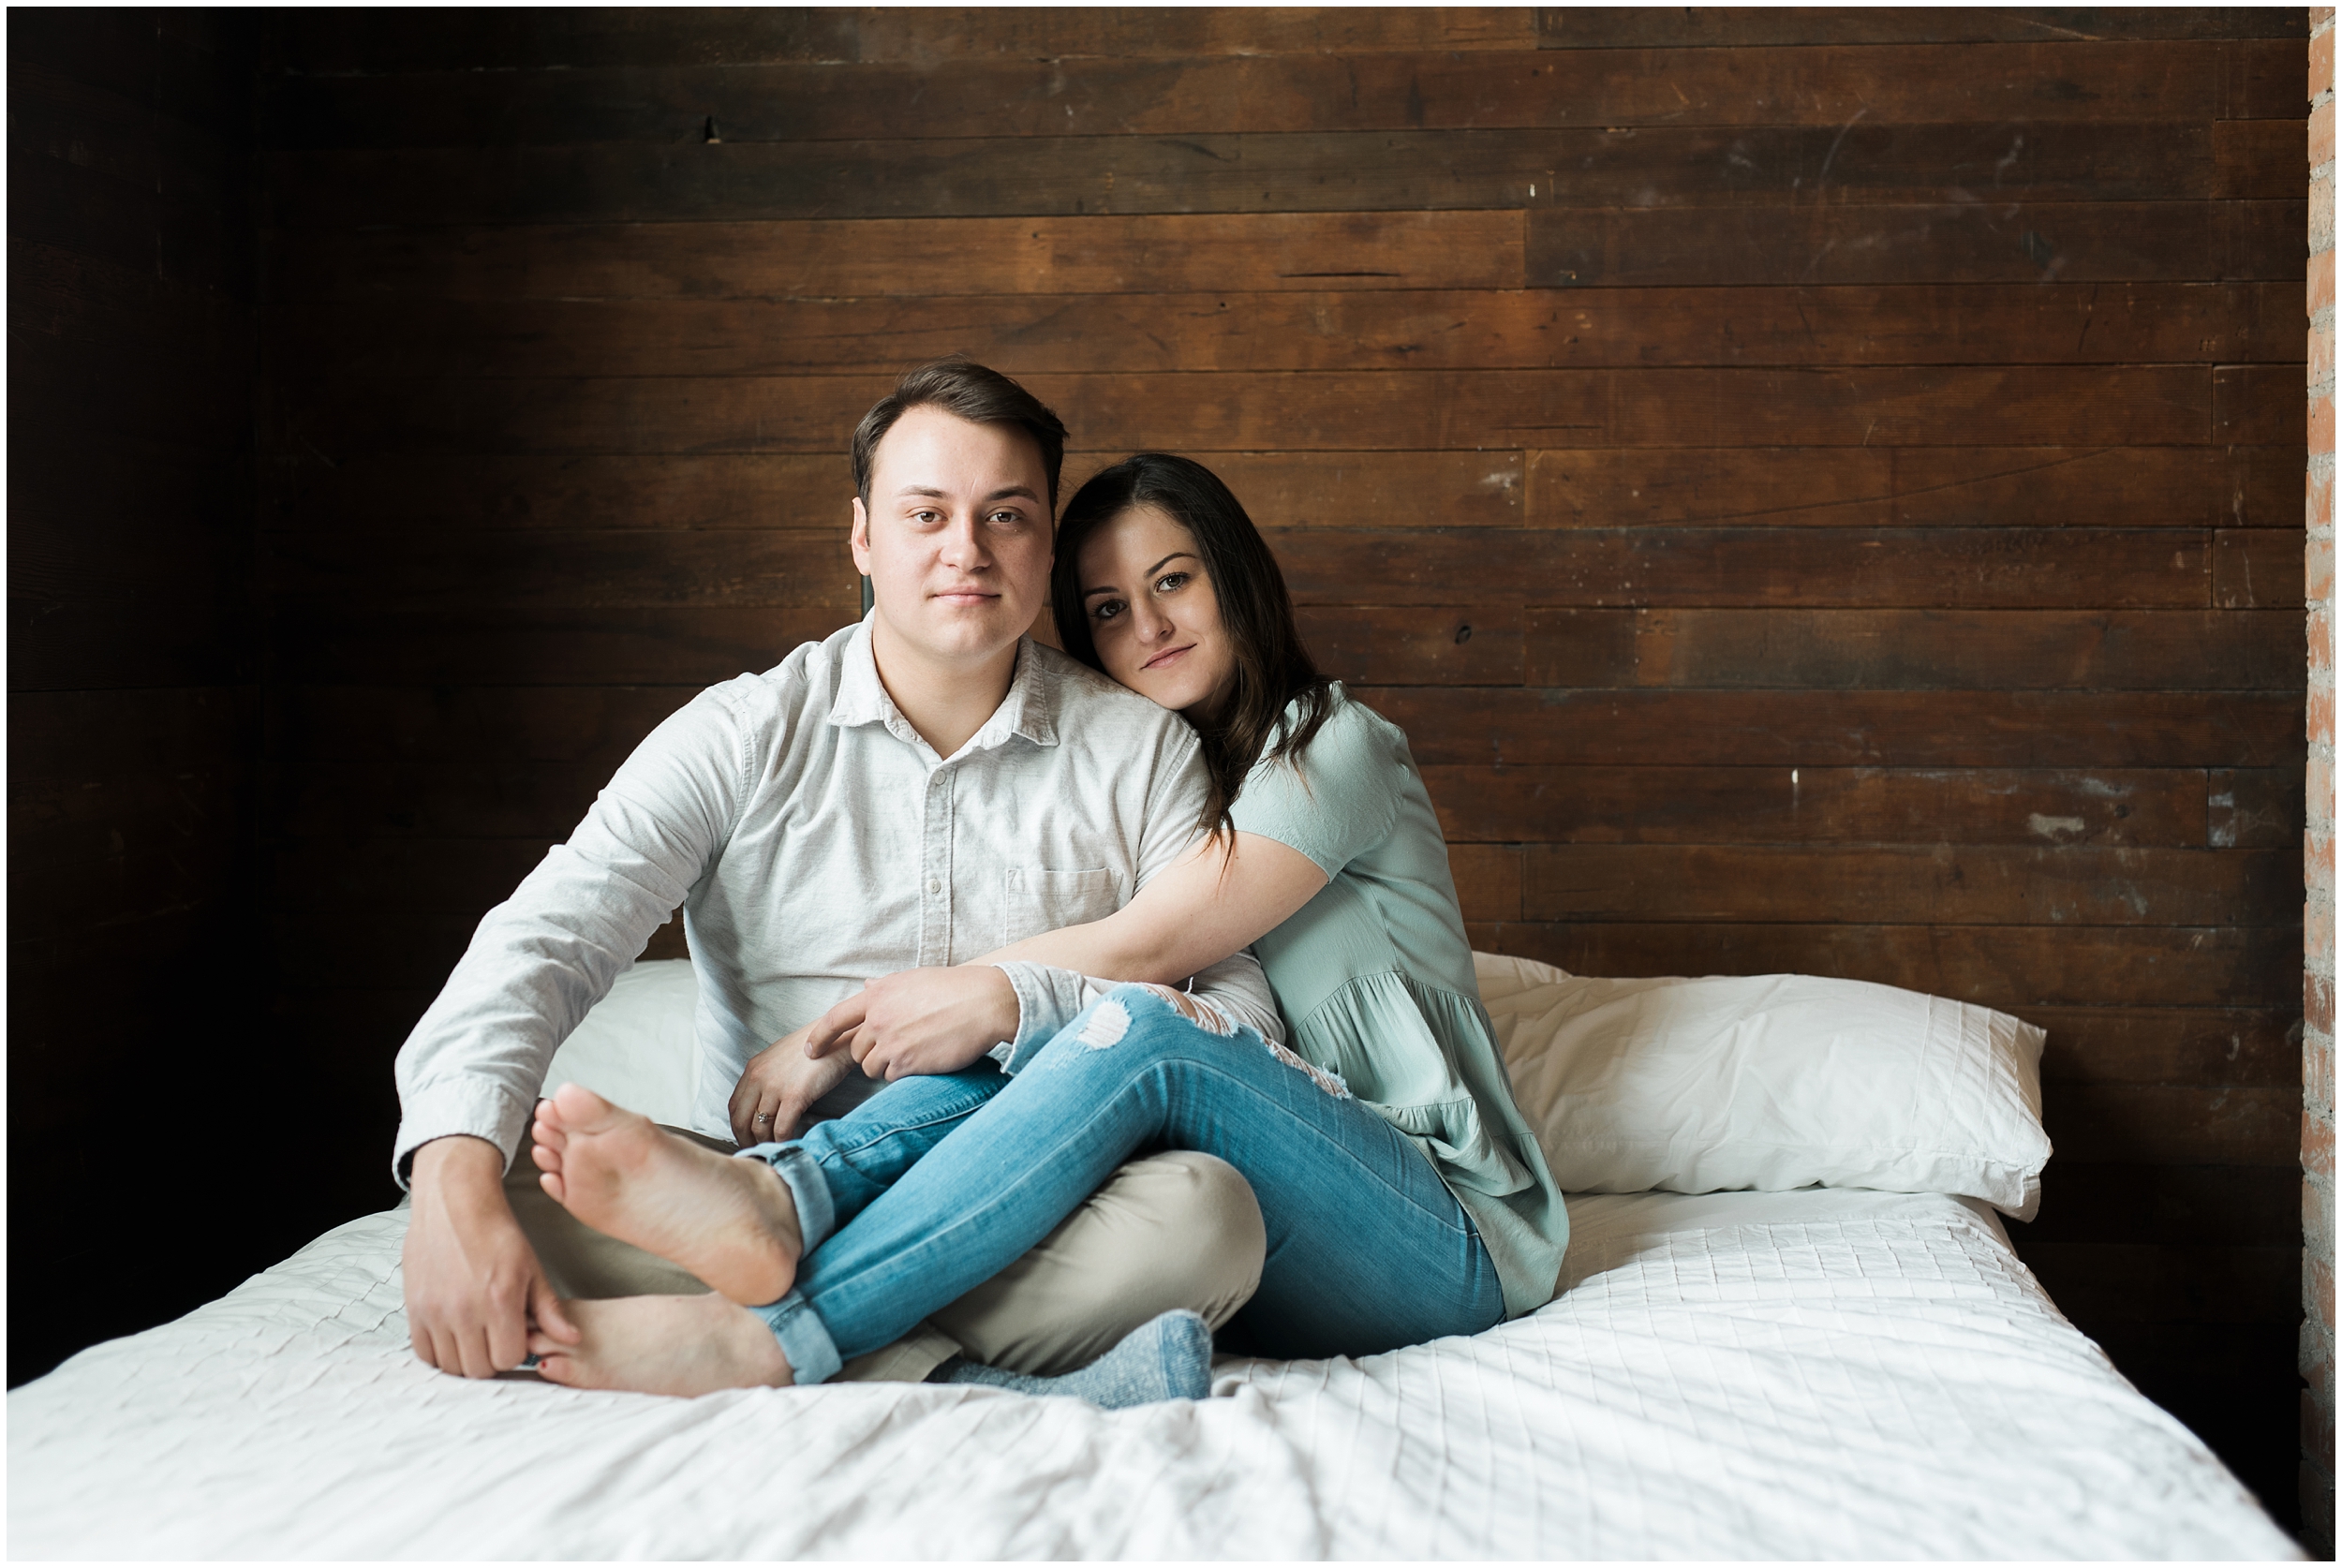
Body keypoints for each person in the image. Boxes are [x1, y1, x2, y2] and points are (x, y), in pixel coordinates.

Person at [523, 452, 1570, 1392]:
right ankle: (888, 1303)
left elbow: (1155, 947)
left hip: (1444, 1228)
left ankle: (774, 1317)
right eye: (1108, 608)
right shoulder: (1196, 778)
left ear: (1236, 577)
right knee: (1058, 1034)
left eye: (1173, 581)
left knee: (1137, 1024)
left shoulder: (1331, 747)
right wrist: (1003, 1008)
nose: (1148, 627)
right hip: (1285, 1232)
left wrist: (845, 1027)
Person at [393, 364, 1279, 1399]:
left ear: (1044, 545)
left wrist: (1012, 1002)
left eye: (1006, 516)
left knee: (1209, 1220)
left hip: (1042, 1198)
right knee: (507, 1182)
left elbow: (1235, 1023)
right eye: (926, 514)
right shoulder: (742, 733)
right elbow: (547, 938)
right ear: (861, 536)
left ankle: (769, 1321)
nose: (967, 550)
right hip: (742, 1189)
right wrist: (450, 1180)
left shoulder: (1140, 752)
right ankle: (924, 1337)